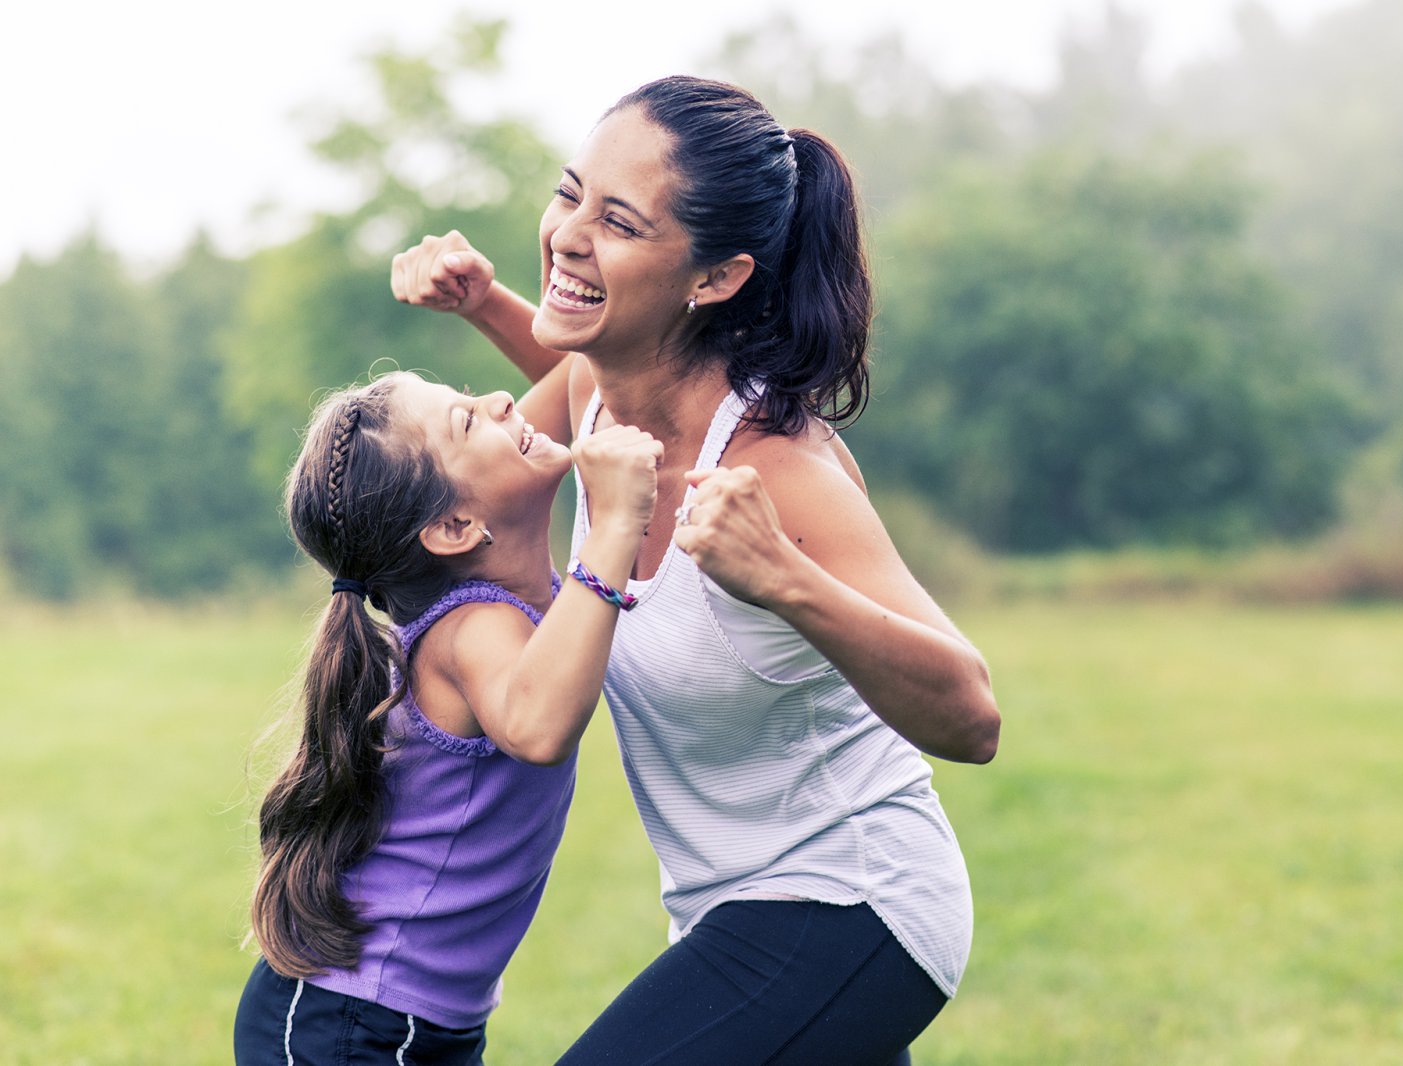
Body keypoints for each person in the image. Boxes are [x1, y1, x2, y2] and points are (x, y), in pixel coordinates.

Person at [390, 74, 1002, 1064]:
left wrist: (786, 582)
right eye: (569, 192)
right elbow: (519, 437)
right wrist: (487, 302)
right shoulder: (593, 397)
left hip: (851, 901)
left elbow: (971, 716)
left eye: (619, 221)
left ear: (713, 278)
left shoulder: (776, 470)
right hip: (727, 909)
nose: (568, 232)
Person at [233, 370, 663, 1065]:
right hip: (356, 1023)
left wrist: (484, 299)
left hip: (395, 1018)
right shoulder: (472, 628)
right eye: (468, 418)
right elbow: (539, 727)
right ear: (455, 527)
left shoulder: (498, 598)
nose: (502, 401)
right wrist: (614, 526)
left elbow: (585, 369)